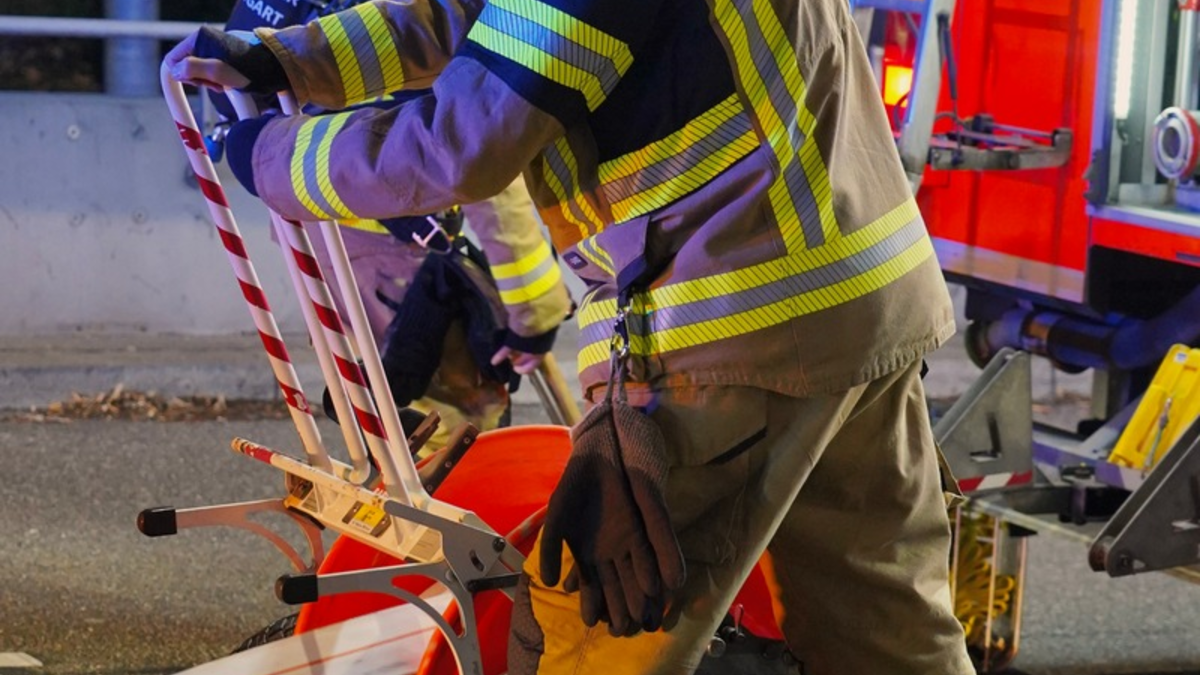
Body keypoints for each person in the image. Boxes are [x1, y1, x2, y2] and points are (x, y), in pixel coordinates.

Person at [166, 0, 975, 672]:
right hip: (860, 305)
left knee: (587, 632)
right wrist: (286, 60)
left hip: (733, 331)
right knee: (886, 629)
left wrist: (270, 155)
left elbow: (459, 143)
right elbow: (467, 16)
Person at [204, 0, 572, 448]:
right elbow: (471, 148)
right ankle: (428, 515)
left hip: (321, 217)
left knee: (397, 424)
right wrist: (535, 305)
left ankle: (402, 508)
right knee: (452, 427)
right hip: (388, 235)